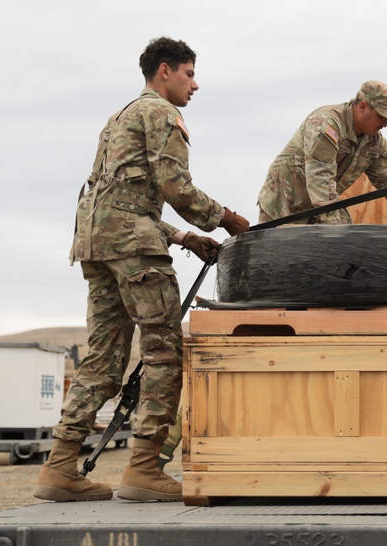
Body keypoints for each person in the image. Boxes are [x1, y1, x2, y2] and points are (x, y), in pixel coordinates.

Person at [33, 36, 250, 503]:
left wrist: (184, 237)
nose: (195, 85)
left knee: (102, 360)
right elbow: (176, 186)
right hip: (134, 251)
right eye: (189, 74)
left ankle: (60, 468)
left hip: (97, 246)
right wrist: (227, 219)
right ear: (165, 71)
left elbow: (122, 197)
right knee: (164, 354)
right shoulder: (161, 114)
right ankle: (145, 467)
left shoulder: (119, 118)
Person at [257, 81, 387, 225]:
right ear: (363, 107)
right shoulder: (325, 124)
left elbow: (386, 178)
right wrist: (338, 229)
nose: (385, 124)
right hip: (283, 209)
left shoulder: (375, 143)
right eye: (381, 116)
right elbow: (321, 179)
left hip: (319, 208)